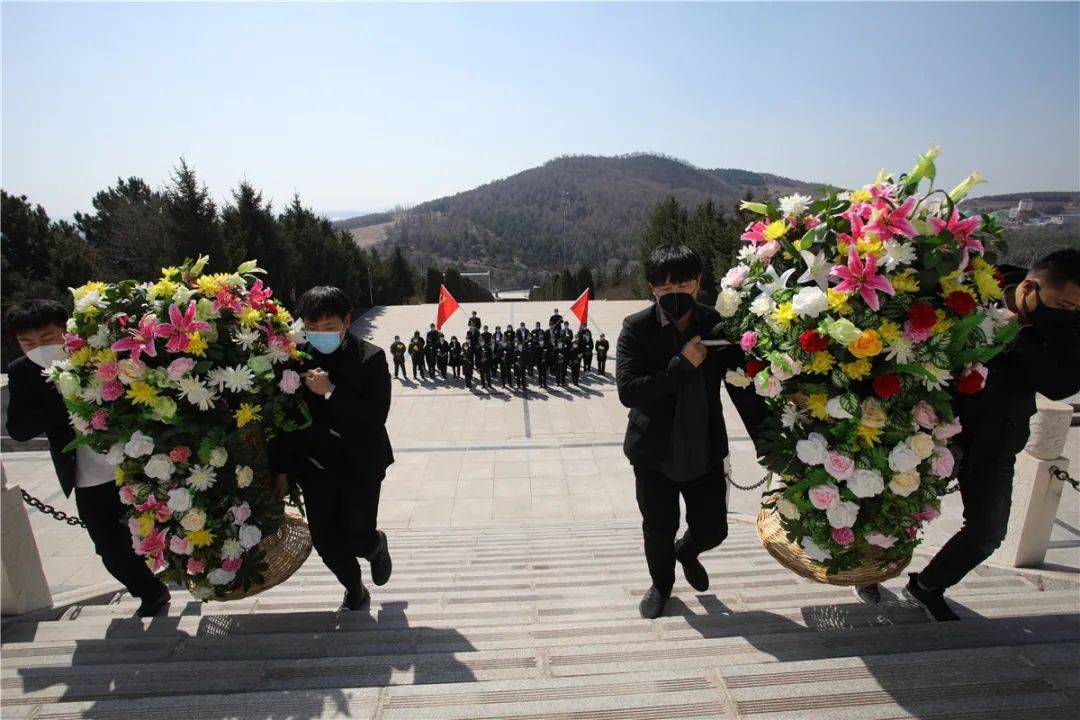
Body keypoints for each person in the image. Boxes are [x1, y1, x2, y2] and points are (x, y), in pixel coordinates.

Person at [855, 248, 1080, 620]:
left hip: (997, 439)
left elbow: (1061, 385)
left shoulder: (1067, 328)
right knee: (894, 510)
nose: (1069, 313)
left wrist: (1016, 336)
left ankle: (928, 585)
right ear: (1030, 287)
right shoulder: (976, 289)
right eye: (1063, 304)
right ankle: (869, 570)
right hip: (933, 431)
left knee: (988, 531)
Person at [617, 244, 768, 619]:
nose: (674, 293)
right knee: (658, 528)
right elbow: (628, 391)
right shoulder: (637, 328)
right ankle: (661, 585)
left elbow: (741, 388)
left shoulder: (716, 324)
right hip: (654, 453)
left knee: (714, 529)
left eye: (682, 284)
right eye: (664, 287)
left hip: (703, 447)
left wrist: (768, 443)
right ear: (652, 288)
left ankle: (687, 551)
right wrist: (680, 366)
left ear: (698, 282)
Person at [3, 300, 172, 618]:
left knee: (164, 527)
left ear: (64, 330)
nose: (39, 348)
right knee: (108, 546)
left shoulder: (97, 352)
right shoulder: (22, 372)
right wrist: (65, 399)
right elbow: (19, 429)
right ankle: (151, 592)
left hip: (133, 463)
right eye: (28, 343)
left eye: (47, 338)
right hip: (87, 476)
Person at [273, 286, 394, 611]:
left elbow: (374, 417)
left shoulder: (371, 358)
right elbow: (284, 420)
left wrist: (330, 392)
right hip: (316, 466)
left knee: (357, 535)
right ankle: (354, 588)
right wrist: (282, 470)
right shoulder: (294, 359)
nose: (321, 334)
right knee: (326, 542)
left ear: (346, 322)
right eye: (313, 327)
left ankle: (375, 546)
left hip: (360, 463)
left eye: (329, 327)